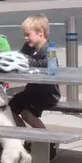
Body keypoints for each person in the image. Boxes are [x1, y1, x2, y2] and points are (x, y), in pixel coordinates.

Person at [9, 14, 61, 143]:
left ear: (41, 33)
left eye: (28, 34)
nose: (25, 38)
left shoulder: (50, 48)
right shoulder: (28, 47)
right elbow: (19, 58)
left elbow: (52, 66)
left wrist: (30, 62)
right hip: (31, 90)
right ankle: (24, 137)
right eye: (24, 35)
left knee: (27, 113)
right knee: (9, 108)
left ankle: (49, 140)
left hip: (48, 93)